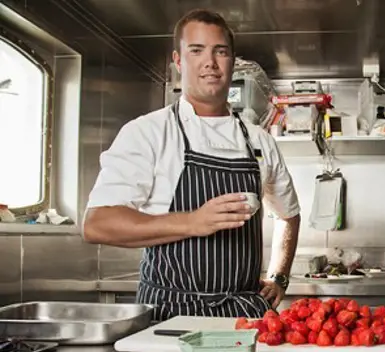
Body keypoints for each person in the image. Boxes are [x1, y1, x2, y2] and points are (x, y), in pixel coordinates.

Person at [82, 9, 300, 321]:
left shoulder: (260, 142)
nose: (210, 62)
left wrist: (279, 277)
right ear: (179, 61)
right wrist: (193, 222)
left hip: (242, 315)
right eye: (196, 50)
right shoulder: (149, 132)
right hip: (168, 316)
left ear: (232, 61)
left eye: (220, 51)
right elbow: (97, 223)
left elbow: (288, 214)